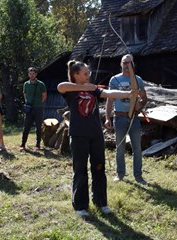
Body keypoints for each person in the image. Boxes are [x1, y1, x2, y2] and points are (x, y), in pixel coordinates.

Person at [57, 60, 139, 217]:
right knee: (80, 170)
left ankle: (101, 202)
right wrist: (83, 87)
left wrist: (129, 93)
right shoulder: (71, 90)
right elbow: (61, 86)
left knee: (99, 168)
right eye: (85, 74)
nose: (88, 76)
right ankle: (80, 206)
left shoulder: (93, 89)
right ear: (75, 75)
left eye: (89, 73)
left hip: (96, 134)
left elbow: (109, 93)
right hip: (79, 134)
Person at [105, 54, 148, 185]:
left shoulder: (138, 79)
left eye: (129, 63)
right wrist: (108, 118)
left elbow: (144, 98)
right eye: (124, 63)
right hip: (119, 117)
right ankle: (120, 174)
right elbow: (110, 99)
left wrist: (139, 104)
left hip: (133, 118)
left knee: (137, 148)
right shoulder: (114, 79)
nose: (126, 66)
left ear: (133, 64)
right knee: (120, 148)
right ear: (121, 64)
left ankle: (138, 176)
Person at [20, 67, 47, 151]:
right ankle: (23, 144)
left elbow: (44, 95)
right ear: (28, 74)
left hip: (38, 108)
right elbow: (25, 94)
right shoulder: (26, 84)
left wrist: (38, 103)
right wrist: (28, 103)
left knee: (38, 127)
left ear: (36, 74)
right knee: (26, 127)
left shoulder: (41, 84)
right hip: (29, 108)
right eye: (30, 74)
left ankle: (38, 145)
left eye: (33, 73)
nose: (32, 75)